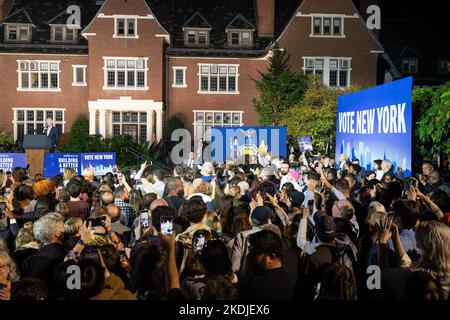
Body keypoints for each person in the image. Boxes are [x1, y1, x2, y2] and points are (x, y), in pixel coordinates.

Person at [239, 230, 295, 300]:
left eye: (254, 252)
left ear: (271, 257)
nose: (249, 256)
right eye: (250, 250)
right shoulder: (291, 279)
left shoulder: (254, 286)